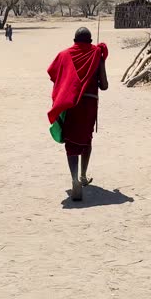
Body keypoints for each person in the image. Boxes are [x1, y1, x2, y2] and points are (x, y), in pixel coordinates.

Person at [47, 27, 108, 201]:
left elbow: (53, 74)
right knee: (86, 138)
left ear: (74, 40)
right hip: (89, 104)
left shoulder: (64, 55)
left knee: (71, 141)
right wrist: (100, 62)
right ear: (90, 41)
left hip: (70, 102)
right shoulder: (97, 55)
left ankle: (74, 178)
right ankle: (82, 176)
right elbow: (104, 85)